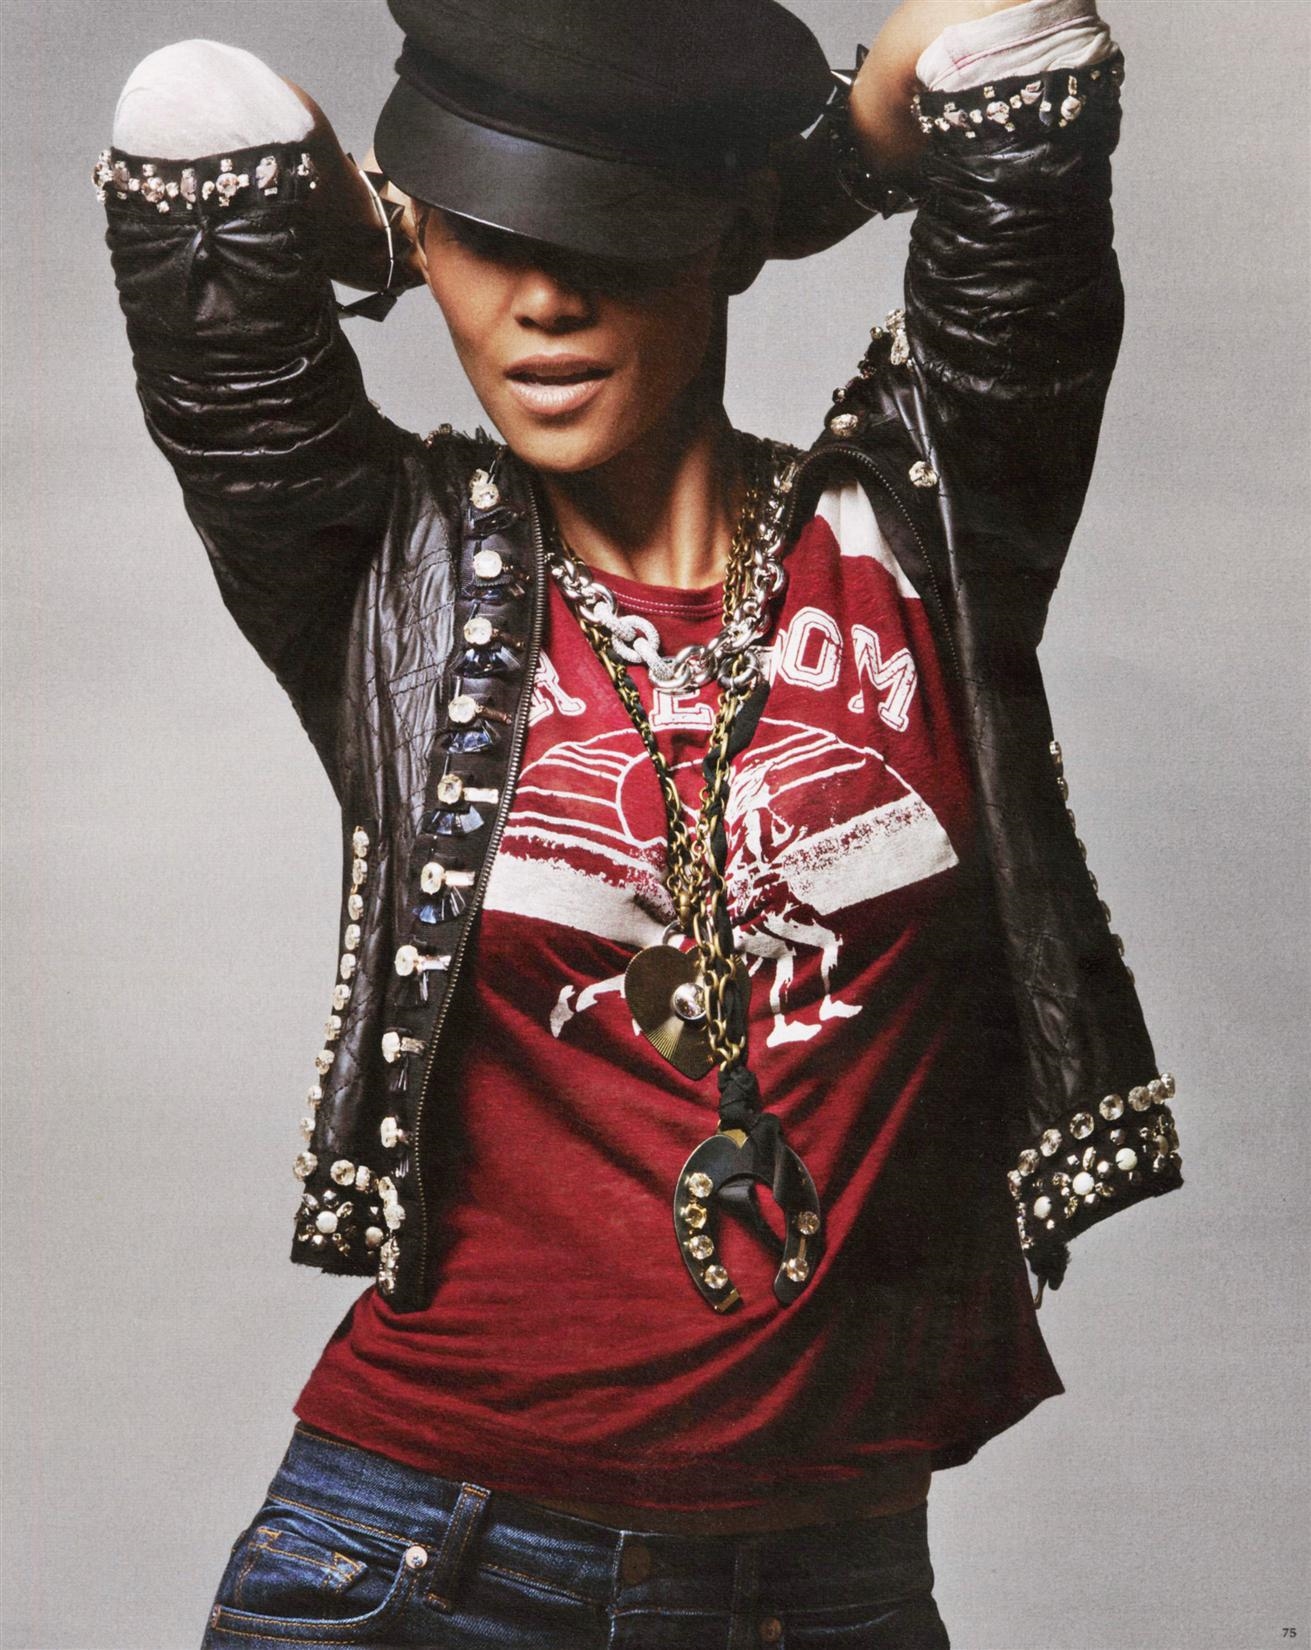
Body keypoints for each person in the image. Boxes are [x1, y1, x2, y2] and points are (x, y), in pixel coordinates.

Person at [98, 0, 1183, 1643]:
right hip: (423, 1565)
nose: (543, 298)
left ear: (721, 239)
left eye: (607, 229)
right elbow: (191, 108)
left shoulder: (924, 528)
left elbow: (1015, 40)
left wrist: (781, 189)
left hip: (828, 1589)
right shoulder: (378, 565)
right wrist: (402, 234)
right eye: (489, 239)